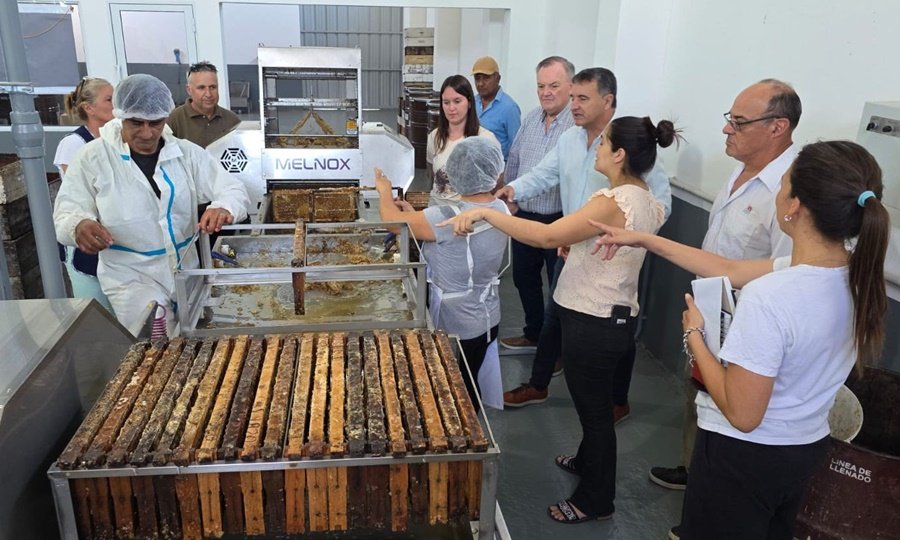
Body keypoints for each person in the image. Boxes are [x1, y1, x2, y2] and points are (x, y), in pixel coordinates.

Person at [591, 139, 889, 540]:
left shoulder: (771, 296)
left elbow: (743, 415)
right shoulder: (853, 276)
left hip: (744, 458)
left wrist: (695, 336)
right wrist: (644, 239)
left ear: (795, 206)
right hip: (805, 446)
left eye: (783, 184)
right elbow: (728, 268)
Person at [444, 116, 674, 523]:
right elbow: (614, 245)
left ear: (619, 154)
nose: (597, 148)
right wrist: (579, 247)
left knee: (595, 414)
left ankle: (595, 499)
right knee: (595, 405)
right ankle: (586, 461)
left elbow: (548, 236)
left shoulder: (614, 199)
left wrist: (487, 214)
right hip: (614, 316)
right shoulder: (644, 196)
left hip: (594, 319)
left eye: (604, 143)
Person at [648, 79, 800, 495]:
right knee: (698, 396)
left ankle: (710, 494)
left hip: (747, 328)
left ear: (777, 127)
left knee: (731, 418)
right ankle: (693, 469)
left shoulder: (790, 192)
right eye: (729, 119)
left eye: (739, 122)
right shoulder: (741, 169)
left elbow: (785, 276)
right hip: (709, 314)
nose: (726, 129)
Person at [499, 67, 672, 411]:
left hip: (613, 258)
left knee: (620, 328)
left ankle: (617, 402)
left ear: (607, 101)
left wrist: (625, 238)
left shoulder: (629, 144)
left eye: (582, 98)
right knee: (555, 315)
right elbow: (543, 174)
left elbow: (660, 205)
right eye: (573, 97)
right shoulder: (570, 140)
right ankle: (539, 384)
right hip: (573, 248)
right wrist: (512, 190)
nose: (573, 105)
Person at [54, 74, 250, 336]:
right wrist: (79, 225)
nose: (147, 133)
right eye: (136, 123)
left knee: (192, 339)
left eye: (155, 123)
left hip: (186, 271)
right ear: (121, 116)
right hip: (130, 277)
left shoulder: (185, 153)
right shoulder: (94, 157)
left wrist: (223, 206)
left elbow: (232, 188)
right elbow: (67, 210)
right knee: (154, 342)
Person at [376, 137, 508, 409]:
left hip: (456, 323)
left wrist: (383, 191)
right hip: (487, 314)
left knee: (454, 394)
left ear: (455, 174)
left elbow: (391, 222)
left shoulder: (446, 216)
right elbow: (431, 229)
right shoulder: (498, 209)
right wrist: (415, 215)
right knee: (471, 384)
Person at [499, 56, 575, 352]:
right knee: (524, 278)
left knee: (560, 288)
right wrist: (511, 197)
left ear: (571, 86)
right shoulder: (531, 118)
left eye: (554, 85)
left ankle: (554, 349)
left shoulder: (576, 126)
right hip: (525, 216)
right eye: (541, 86)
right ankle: (533, 333)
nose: (546, 92)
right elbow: (515, 158)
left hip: (560, 220)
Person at [52, 77, 115, 313]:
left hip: (113, 239)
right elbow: (81, 191)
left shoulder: (115, 141)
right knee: (97, 312)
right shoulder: (73, 144)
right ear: (89, 108)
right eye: (109, 99)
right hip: (86, 241)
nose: (115, 104)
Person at [427, 75, 500, 206]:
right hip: (436, 209)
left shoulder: (485, 139)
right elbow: (432, 175)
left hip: (468, 213)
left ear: (469, 102)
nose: (451, 108)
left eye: (457, 101)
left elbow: (495, 182)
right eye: (446, 102)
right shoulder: (435, 136)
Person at [167, 61, 241, 148]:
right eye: (201, 88)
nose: (208, 94)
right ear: (189, 90)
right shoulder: (175, 120)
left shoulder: (231, 120)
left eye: (213, 87)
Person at [471, 56, 521, 161]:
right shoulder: (472, 102)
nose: (480, 83)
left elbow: (516, 148)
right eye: (477, 78)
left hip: (499, 168)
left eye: (486, 78)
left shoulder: (510, 108)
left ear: (497, 78)